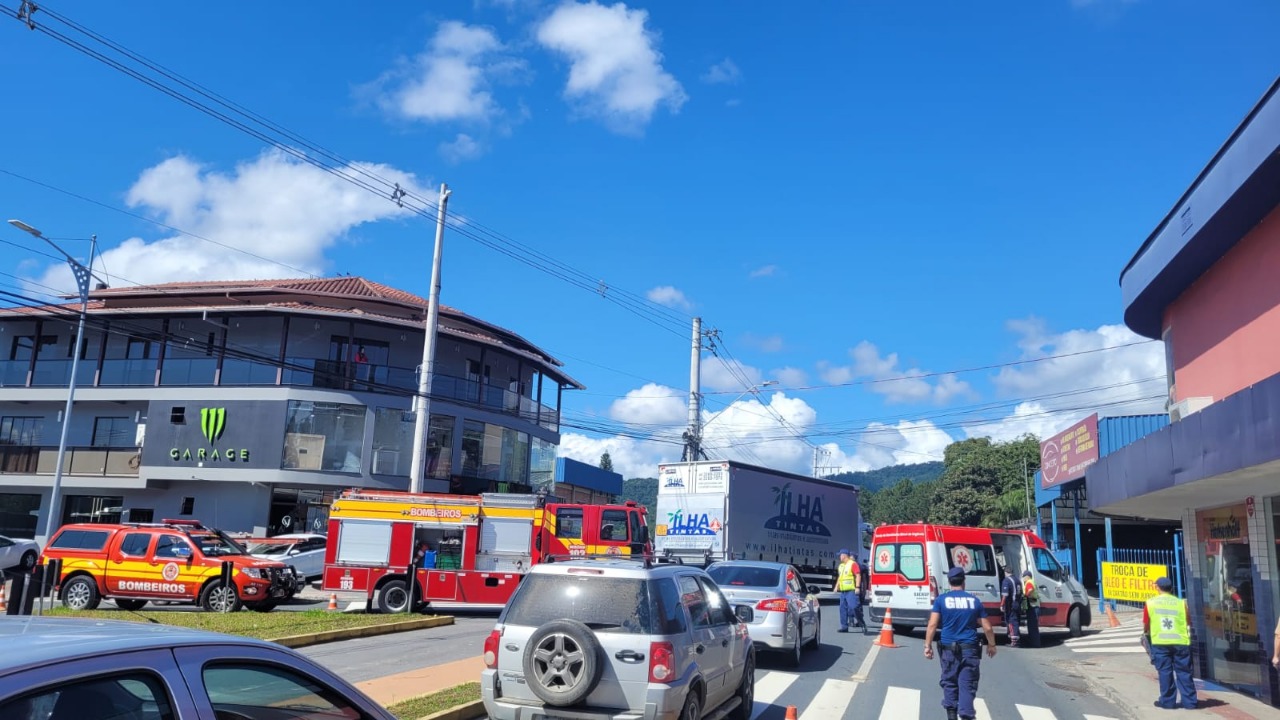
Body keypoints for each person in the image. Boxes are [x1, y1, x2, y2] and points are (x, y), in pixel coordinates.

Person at [924, 566, 997, 720]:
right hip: (969, 650)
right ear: (964, 581)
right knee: (967, 685)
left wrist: (927, 646)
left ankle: (951, 715)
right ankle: (966, 715)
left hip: (948, 650)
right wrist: (992, 645)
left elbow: (932, 625)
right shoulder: (974, 601)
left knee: (949, 682)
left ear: (949, 582)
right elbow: (988, 628)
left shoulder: (941, 600)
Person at [1144, 576, 1197, 709]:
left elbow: (1146, 624)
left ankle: (1167, 702)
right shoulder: (1180, 603)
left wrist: (1147, 634)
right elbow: (1188, 621)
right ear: (1171, 588)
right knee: (1184, 673)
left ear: (1157, 588)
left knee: (1165, 673)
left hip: (1160, 642)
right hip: (1180, 642)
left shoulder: (1151, 603)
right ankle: (1190, 703)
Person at [833, 548, 860, 633]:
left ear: (844, 555)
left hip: (851, 590)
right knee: (842, 609)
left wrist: (857, 587)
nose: (839, 557)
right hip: (843, 592)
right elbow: (840, 577)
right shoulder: (841, 566)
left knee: (853, 607)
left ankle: (860, 621)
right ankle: (844, 627)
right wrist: (836, 586)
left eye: (840, 555)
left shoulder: (852, 564)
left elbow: (858, 575)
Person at [1000, 566, 1021, 647]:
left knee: (1012, 622)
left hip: (1011, 604)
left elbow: (1005, 595)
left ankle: (1014, 641)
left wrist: (1002, 605)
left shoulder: (1007, 580)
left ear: (1006, 572)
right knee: (1016, 621)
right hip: (1017, 603)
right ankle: (1016, 639)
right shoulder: (1017, 580)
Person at [1021, 570, 1041, 647]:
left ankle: (1035, 644)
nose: (1023, 578)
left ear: (1027, 576)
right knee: (1034, 626)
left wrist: (1025, 595)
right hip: (1034, 606)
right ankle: (1035, 643)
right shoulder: (1031, 581)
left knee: (1033, 626)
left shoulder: (1029, 582)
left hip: (1033, 607)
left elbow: (1030, 589)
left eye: (1023, 577)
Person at [855, 555, 871, 634]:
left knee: (856, 606)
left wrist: (864, 590)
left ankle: (859, 622)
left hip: (858, 589)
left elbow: (864, 580)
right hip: (858, 589)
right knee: (857, 605)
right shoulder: (859, 566)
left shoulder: (859, 567)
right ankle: (856, 621)